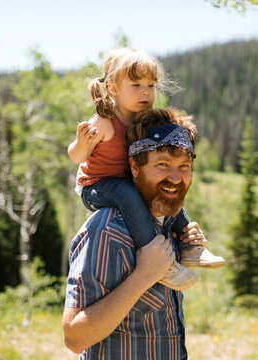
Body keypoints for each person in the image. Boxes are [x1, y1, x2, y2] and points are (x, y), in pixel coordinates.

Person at [67, 48, 224, 290]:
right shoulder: (105, 121)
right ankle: (161, 264)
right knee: (127, 194)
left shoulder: (144, 120)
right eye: (136, 84)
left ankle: (189, 247)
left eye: (151, 85)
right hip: (96, 187)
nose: (146, 91)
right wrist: (82, 143)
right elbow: (76, 157)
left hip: (127, 180)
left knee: (166, 189)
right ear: (113, 89)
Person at [63, 108, 210, 359]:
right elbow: (75, 338)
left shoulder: (166, 225)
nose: (176, 177)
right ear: (134, 167)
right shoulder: (107, 229)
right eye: (163, 164)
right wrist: (143, 276)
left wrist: (187, 244)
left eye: (184, 166)